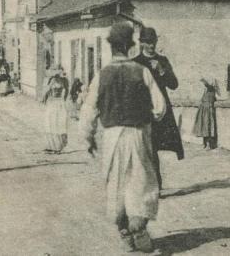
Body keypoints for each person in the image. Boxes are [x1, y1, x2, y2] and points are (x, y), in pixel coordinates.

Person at [79, 22, 167, 253]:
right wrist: (147, 118)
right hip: (138, 134)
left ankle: (125, 232)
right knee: (142, 182)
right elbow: (160, 108)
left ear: (111, 47)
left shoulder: (102, 75)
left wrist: (88, 138)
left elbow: (88, 111)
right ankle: (139, 227)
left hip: (111, 136)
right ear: (129, 46)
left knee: (116, 185)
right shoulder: (142, 71)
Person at [132, 27, 184, 190]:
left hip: (161, 110)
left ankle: (154, 185)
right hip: (143, 110)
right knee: (147, 147)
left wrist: (162, 70)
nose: (151, 46)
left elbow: (174, 85)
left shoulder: (163, 60)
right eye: (147, 42)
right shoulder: (135, 63)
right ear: (141, 43)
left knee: (153, 146)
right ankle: (153, 184)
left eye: (153, 42)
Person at [42, 71, 69, 154]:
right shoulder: (54, 80)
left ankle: (58, 146)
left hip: (57, 103)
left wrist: (63, 99)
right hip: (53, 102)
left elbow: (67, 90)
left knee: (57, 124)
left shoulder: (63, 81)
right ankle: (51, 146)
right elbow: (47, 91)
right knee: (51, 123)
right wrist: (45, 100)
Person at [193, 77, 220, 149]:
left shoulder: (211, 88)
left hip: (208, 108)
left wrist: (203, 80)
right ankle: (204, 144)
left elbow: (207, 85)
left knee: (207, 126)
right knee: (203, 126)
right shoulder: (207, 89)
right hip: (203, 107)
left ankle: (208, 145)